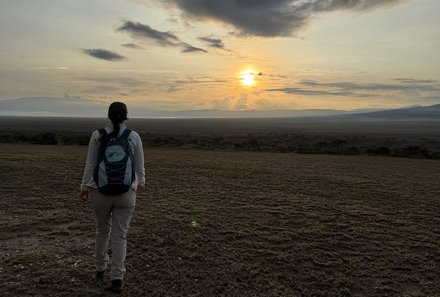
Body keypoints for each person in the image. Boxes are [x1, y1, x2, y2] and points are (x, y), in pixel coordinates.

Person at [80, 102, 145, 293]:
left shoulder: (97, 135)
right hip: (126, 194)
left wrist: (84, 186)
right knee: (120, 235)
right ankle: (117, 278)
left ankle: (100, 269)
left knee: (102, 231)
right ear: (126, 116)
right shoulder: (133, 136)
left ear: (109, 116)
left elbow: (90, 165)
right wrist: (140, 184)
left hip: (100, 192)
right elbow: (139, 166)